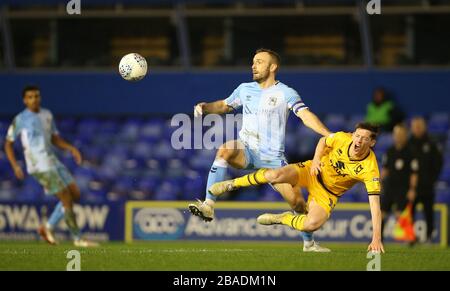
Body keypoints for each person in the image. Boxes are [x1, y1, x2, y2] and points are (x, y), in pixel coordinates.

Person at [188, 48, 332, 252]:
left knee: (298, 203)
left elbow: (305, 115)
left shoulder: (286, 93)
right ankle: (208, 205)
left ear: (273, 67)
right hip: (246, 150)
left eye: (259, 62)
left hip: (273, 160)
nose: (253, 65)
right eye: (253, 62)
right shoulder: (244, 89)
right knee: (225, 150)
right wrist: (206, 107)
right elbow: (224, 105)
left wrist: (328, 134)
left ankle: (308, 244)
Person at [209, 122, 384, 253]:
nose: (358, 141)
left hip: (328, 193)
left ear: (372, 143)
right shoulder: (342, 138)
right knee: (274, 175)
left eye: (364, 138)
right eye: (357, 136)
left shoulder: (370, 168)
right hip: (310, 171)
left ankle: (282, 218)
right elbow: (323, 140)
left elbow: (375, 206)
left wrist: (376, 238)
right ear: (352, 135)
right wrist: (316, 160)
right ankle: (231, 184)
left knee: (312, 224)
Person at [4, 85, 98, 247]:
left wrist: (71, 148)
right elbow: (8, 144)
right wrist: (15, 165)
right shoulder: (20, 119)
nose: (34, 99)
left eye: (36, 96)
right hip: (38, 164)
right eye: (30, 97)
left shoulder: (47, 114)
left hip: (52, 159)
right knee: (65, 197)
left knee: (75, 194)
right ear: (25, 100)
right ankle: (77, 238)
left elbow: (54, 139)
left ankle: (48, 227)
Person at [380, 124, 418, 241]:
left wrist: (412, 189)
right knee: (381, 213)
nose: (398, 137)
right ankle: (378, 238)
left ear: (405, 135)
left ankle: (410, 238)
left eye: (401, 134)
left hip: (403, 188)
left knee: (401, 214)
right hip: (389, 187)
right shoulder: (390, 151)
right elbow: (385, 169)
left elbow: (414, 173)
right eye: (396, 134)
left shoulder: (411, 152)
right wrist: (379, 182)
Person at [409, 116, 443, 243]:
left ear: (424, 128)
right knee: (410, 213)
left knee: (428, 212)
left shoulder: (431, 144)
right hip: (412, 187)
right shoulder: (409, 144)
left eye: (419, 127)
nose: (417, 129)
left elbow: (438, 163)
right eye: (415, 127)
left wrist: (432, 179)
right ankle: (411, 237)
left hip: (427, 186)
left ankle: (429, 236)